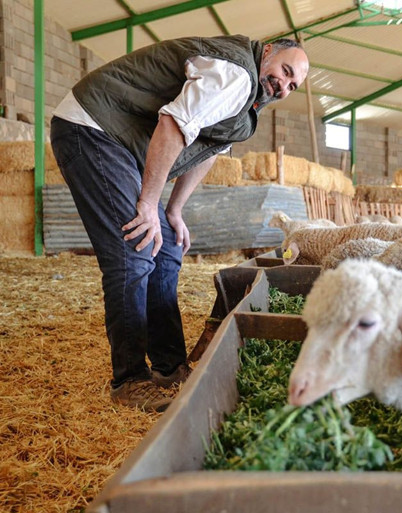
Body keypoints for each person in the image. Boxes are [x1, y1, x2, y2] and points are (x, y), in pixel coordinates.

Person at [50, 36, 309, 412]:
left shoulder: (248, 99)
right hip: (93, 126)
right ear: (267, 50)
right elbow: (173, 124)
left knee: (167, 242)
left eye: (292, 86)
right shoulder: (235, 73)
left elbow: (209, 150)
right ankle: (130, 379)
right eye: (285, 72)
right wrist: (148, 203)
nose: (283, 86)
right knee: (135, 248)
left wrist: (172, 211)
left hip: (120, 145)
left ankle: (170, 367)